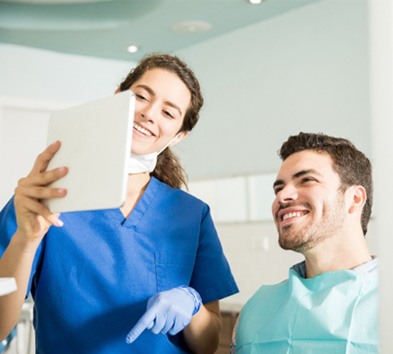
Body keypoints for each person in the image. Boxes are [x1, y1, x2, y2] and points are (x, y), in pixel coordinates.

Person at [0, 53, 238, 354]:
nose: (150, 114)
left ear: (179, 135)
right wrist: (25, 238)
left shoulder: (192, 215)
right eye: (141, 96)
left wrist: (191, 304)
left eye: (168, 112)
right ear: (117, 99)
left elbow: (206, 345)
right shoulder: (46, 196)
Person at [233, 132, 378, 353]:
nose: (282, 196)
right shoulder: (257, 310)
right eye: (278, 188)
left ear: (355, 198)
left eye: (307, 180)